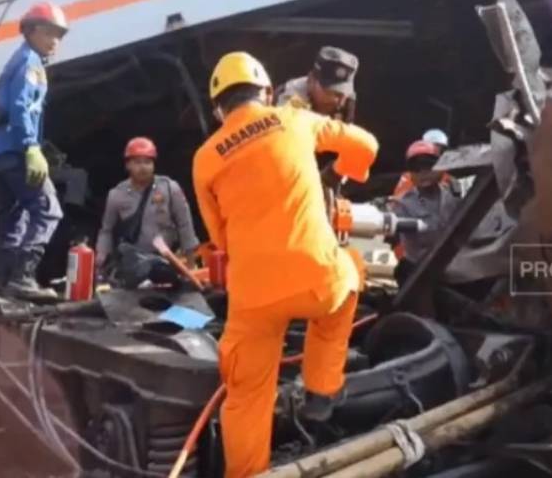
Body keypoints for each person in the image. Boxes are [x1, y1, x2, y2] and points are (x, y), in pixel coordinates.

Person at [193, 52, 378, 477]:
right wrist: (343, 172)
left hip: (253, 298)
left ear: (218, 110)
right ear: (266, 92)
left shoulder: (205, 158)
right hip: (318, 280)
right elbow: (367, 145)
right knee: (350, 272)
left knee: (246, 397)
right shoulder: (295, 120)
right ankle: (321, 390)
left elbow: (219, 237)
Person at [0, 2, 68, 298]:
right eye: (49, 33)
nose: (55, 41)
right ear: (31, 31)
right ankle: (23, 277)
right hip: (16, 149)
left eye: (59, 35)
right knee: (48, 210)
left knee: (15, 217)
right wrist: (31, 147)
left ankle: (2, 282)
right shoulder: (31, 63)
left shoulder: (18, 59)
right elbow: (20, 107)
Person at [95, 137, 199, 273]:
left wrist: (190, 264)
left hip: (166, 260)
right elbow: (107, 230)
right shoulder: (116, 195)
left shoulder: (169, 188)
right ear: (128, 165)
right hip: (134, 263)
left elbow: (184, 224)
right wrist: (101, 257)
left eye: (147, 162)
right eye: (137, 162)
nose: (143, 167)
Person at [391, 140, 460, 287]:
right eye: (415, 168)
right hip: (419, 271)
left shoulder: (454, 196)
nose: (422, 173)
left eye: (428, 165)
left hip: (454, 267)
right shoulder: (403, 205)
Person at [275, 46, 359, 122]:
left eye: (343, 94)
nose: (340, 102)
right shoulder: (290, 95)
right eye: (329, 92)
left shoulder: (347, 100)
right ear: (310, 80)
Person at [393, 128, 450, 199]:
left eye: (441, 149)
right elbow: (398, 199)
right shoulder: (409, 176)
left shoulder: (447, 177)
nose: (423, 172)